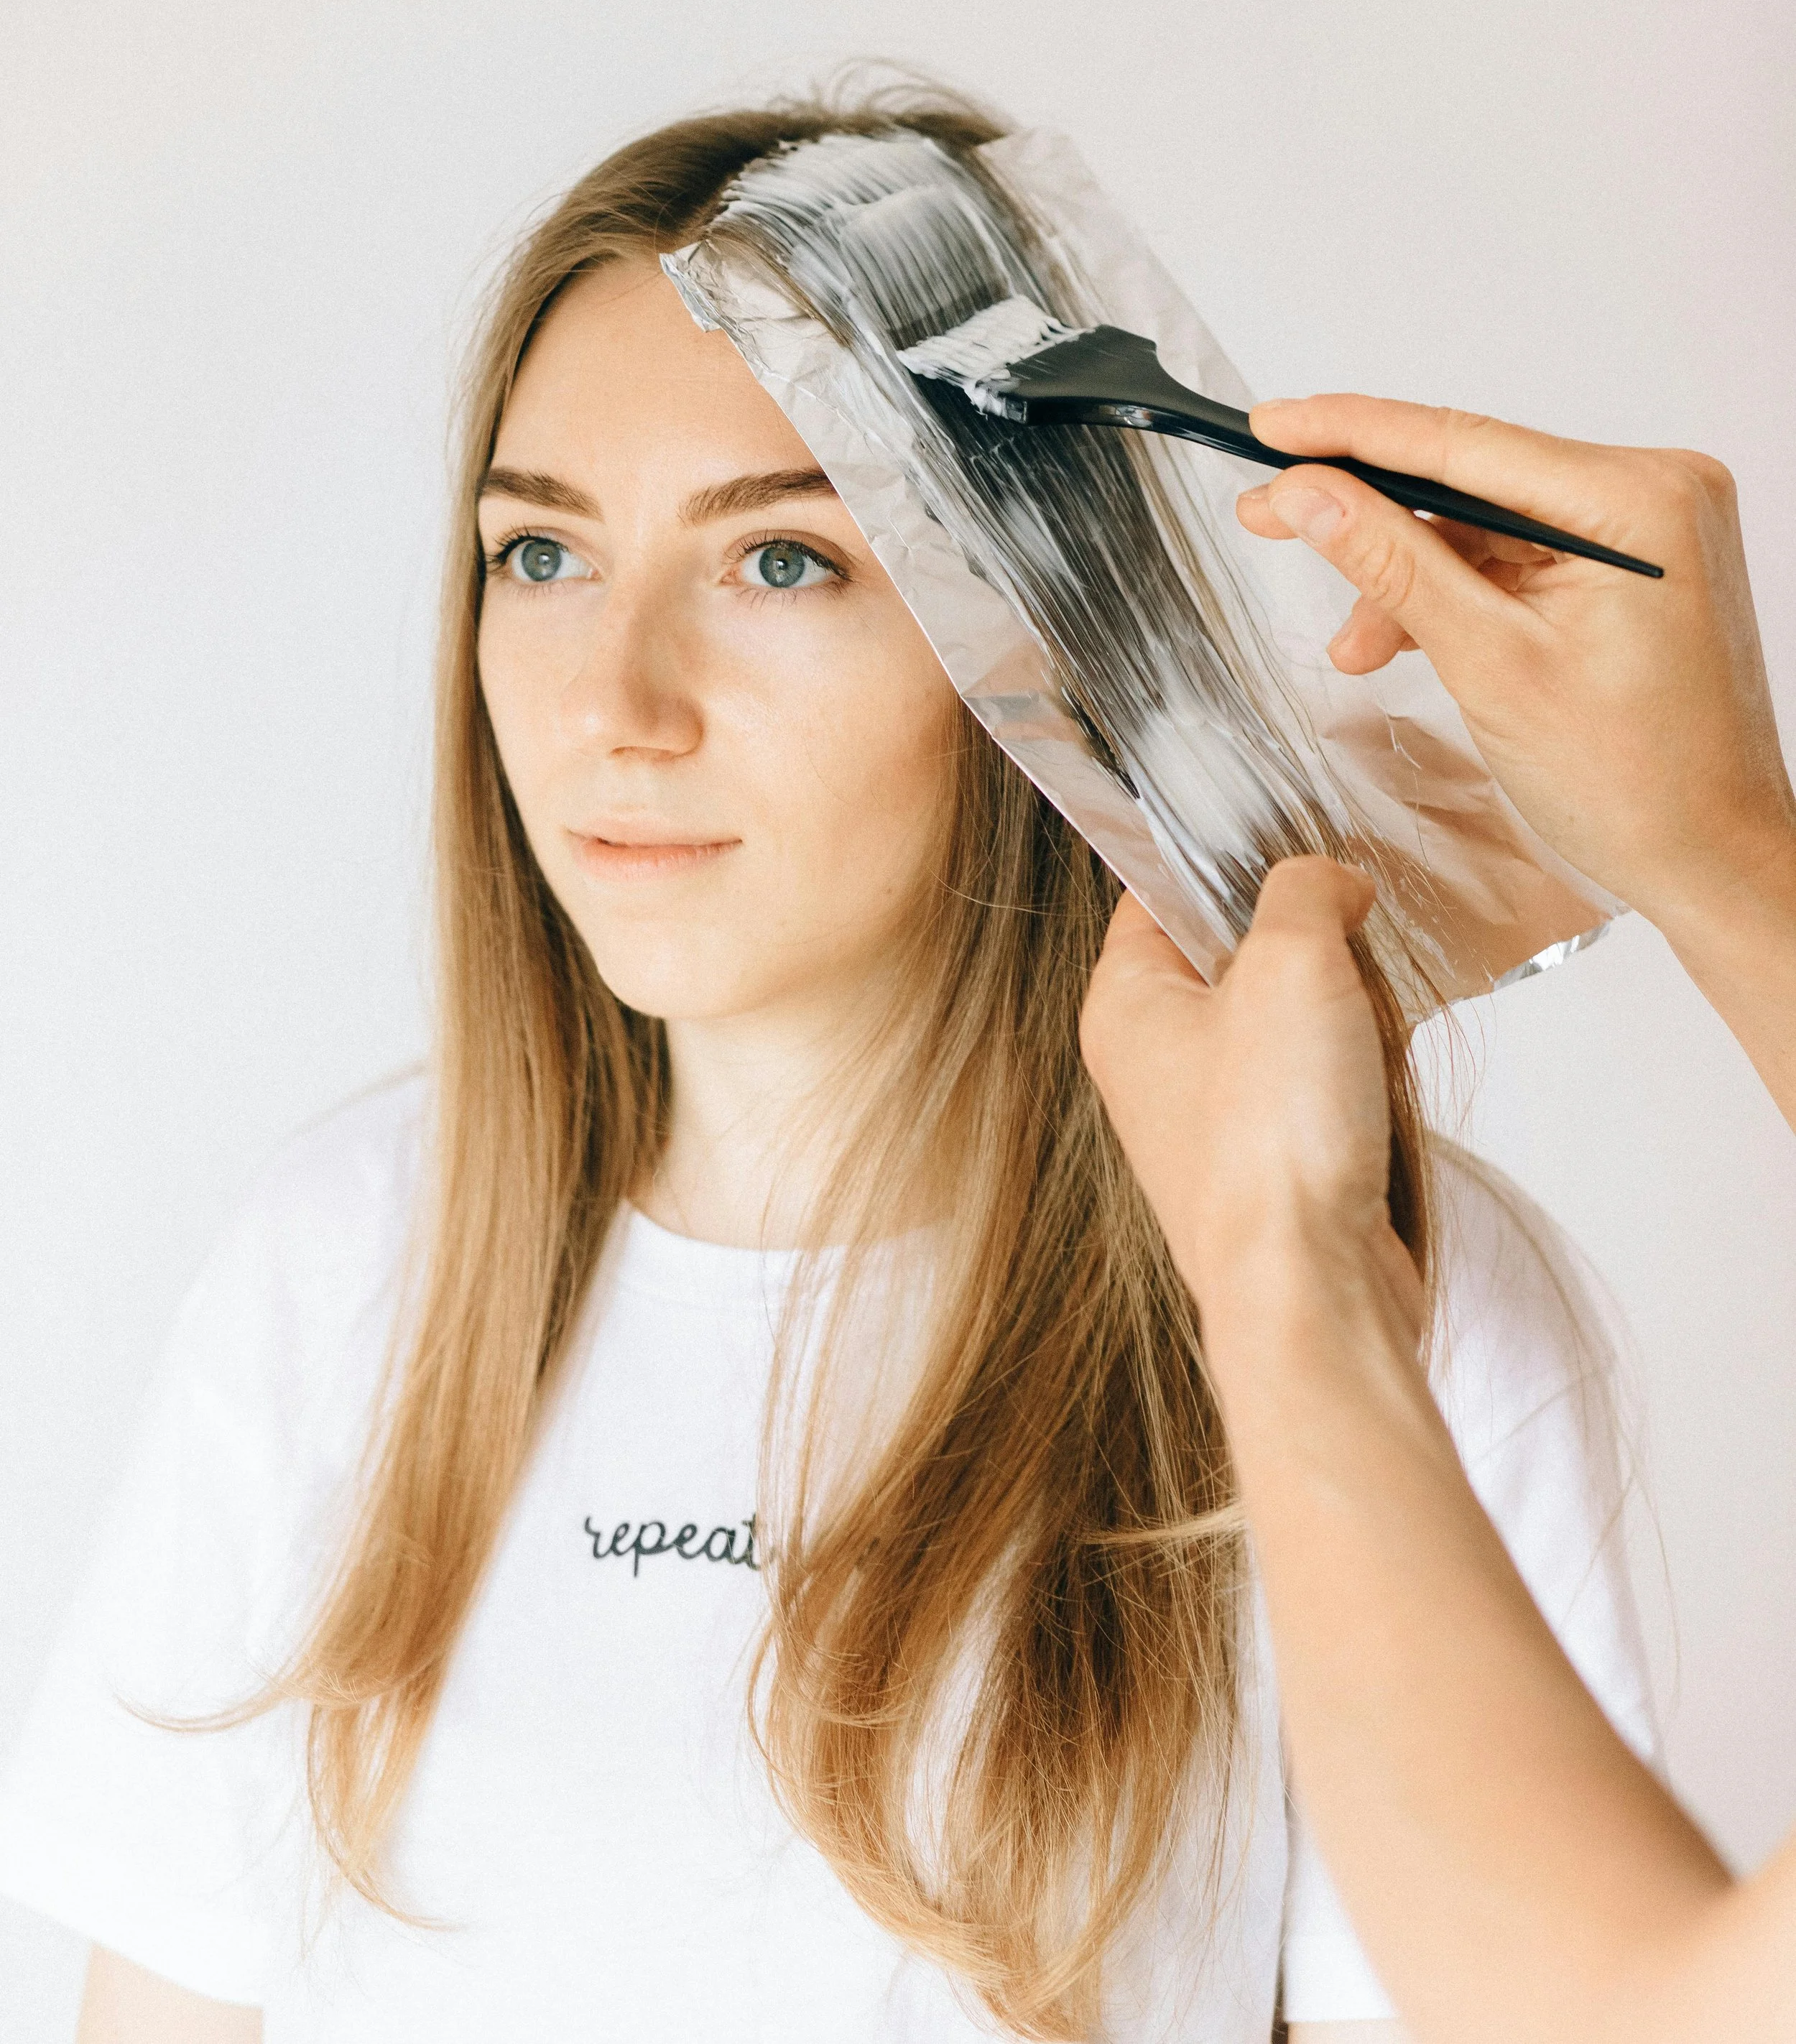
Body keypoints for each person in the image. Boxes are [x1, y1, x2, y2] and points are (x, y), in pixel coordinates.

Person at [0, 101, 1656, 2044]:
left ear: (1036, 634)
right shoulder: (344, 1262)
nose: (613, 705)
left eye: (780, 562)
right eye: (539, 551)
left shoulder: (1373, 1302)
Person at [1081, 397, 1796, 2044]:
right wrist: (1729, 857)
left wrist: (1290, 1265)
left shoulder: (1471, 1304)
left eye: (785, 561)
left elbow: (1630, 2017)